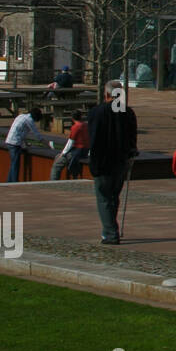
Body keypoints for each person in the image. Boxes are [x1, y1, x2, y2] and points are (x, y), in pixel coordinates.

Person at [88, 81, 138, 244]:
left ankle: (110, 233)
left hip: (103, 160)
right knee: (113, 196)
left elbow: (94, 138)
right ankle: (109, 228)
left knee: (104, 197)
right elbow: (132, 138)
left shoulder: (97, 112)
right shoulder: (127, 112)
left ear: (106, 94)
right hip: (121, 160)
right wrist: (131, 153)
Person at [5, 107, 48, 183]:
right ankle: (14, 182)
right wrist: (47, 145)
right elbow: (37, 135)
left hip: (9, 141)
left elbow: (21, 132)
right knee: (15, 164)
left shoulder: (21, 116)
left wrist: (25, 143)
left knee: (13, 164)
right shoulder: (29, 120)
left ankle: (9, 181)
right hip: (15, 143)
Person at [49, 109, 89, 180]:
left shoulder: (75, 127)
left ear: (72, 118)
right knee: (59, 157)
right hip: (86, 150)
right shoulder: (86, 125)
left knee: (57, 163)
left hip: (77, 151)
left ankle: (53, 182)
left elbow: (70, 142)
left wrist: (63, 153)